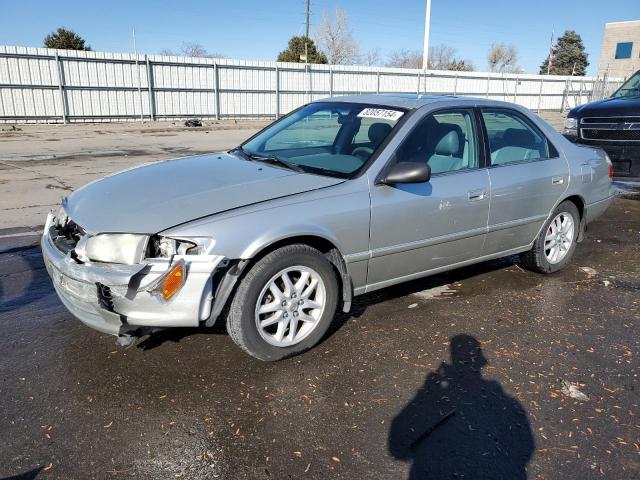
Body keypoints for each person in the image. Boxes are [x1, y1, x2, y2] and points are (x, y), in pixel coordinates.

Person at [388, 334, 534, 479]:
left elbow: (397, 447)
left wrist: (426, 390)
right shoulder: (504, 399)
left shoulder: (500, 397)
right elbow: (525, 447)